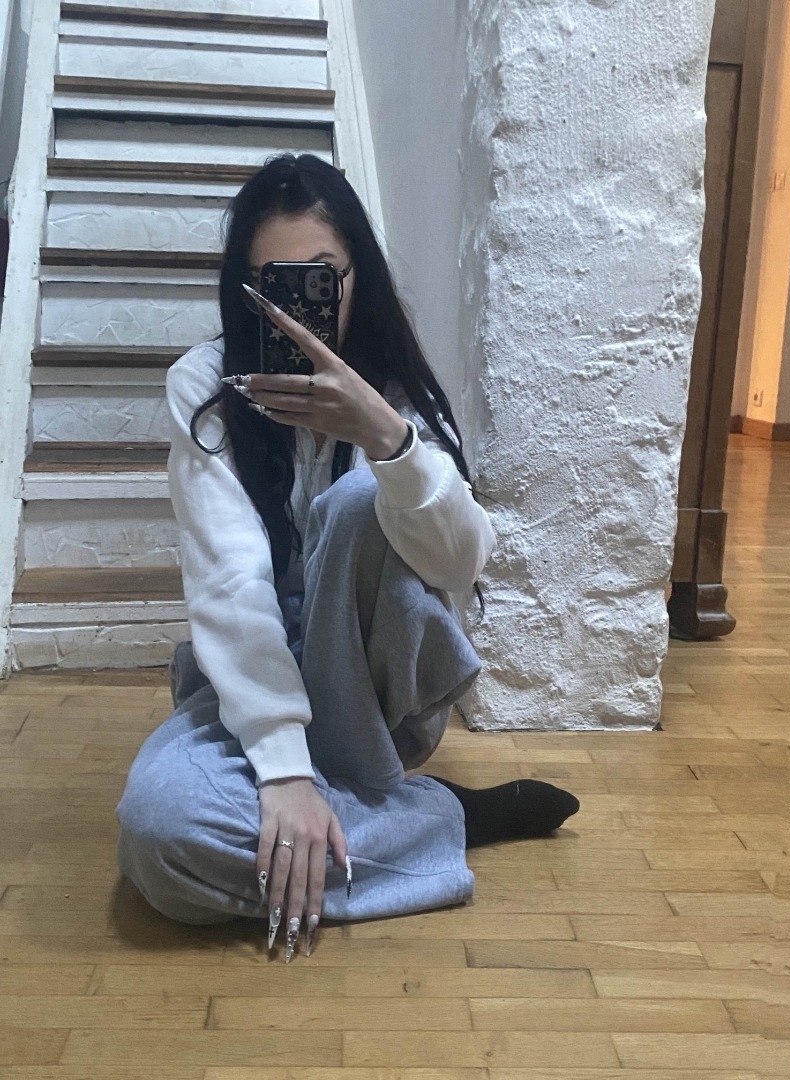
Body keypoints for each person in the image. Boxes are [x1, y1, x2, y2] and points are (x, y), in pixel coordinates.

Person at [116, 153, 579, 962]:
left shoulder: (390, 391)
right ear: (242, 288)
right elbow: (230, 582)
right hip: (250, 683)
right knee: (159, 836)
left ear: (357, 275)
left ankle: (329, 810)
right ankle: (437, 817)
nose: (297, 306)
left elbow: (463, 562)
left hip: (375, 692)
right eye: (272, 284)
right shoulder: (204, 384)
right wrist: (285, 771)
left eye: (320, 277)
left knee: (362, 500)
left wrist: (388, 442)